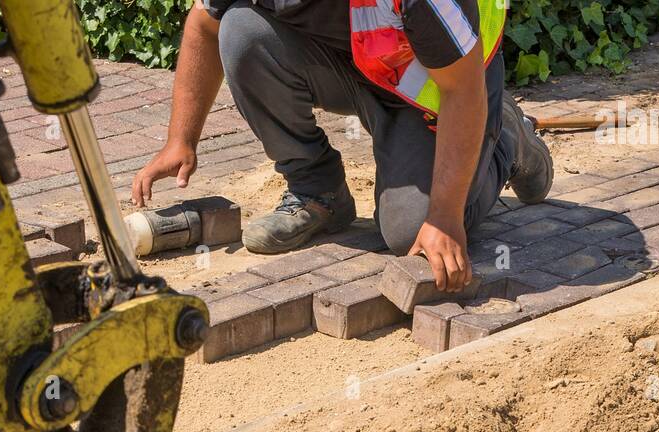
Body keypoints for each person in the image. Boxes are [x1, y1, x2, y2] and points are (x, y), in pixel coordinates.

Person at [132, 0, 553, 292]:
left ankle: (505, 142)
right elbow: (204, 24)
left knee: (411, 230)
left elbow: (462, 90)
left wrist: (444, 218)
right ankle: (318, 193)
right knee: (241, 30)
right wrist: (180, 140)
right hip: (356, 65)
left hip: (443, 89)